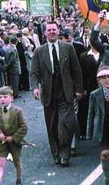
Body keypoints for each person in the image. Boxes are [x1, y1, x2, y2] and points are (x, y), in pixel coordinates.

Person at [30, 21, 83, 166]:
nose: (52, 32)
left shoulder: (68, 48)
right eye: (49, 30)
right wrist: (35, 87)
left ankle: (65, 154)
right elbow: (34, 73)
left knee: (64, 125)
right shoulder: (39, 51)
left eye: (54, 29)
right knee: (52, 126)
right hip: (49, 93)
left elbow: (76, 70)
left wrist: (78, 89)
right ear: (45, 33)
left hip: (65, 91)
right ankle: (56, 153)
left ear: (58, 31)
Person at [0, 86, 28, 185]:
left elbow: (23, 127)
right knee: (0, 162)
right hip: (2, 142)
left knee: (16, 161)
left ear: (11, 98)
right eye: (0, 97)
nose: (2, 99)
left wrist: (14, 137)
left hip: (15, 142)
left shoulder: (18, 111)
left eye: (5, 97)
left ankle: (19, 181)